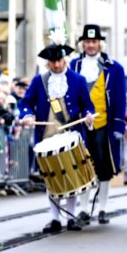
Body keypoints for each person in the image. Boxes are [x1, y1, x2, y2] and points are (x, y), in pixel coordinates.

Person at [19, 43, 95, 232]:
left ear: (65, 60)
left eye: (59, 61)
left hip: (70, 135)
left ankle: (70, 217)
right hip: (46, 137)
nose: (57, 65)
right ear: (48, 63)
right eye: (53, 62)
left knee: (71, 176)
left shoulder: (78, 80)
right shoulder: (39, 81)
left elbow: (88, 105)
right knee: (51, 178)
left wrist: (89, 116)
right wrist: (27, 115)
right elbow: (25, 102)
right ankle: (54, 219)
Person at [70, 24, 126, 224]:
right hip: (81, 125)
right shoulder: (73, 66)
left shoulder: (114, 68)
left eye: (94, 41)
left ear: (100, 43)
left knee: (103, 167)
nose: (91, 45)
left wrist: (119, 127)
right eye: (87, 41)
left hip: (104, 125)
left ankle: (102, 208)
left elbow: (119, 99)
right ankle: (83, 209)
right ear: (83, 44)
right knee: (83, 166)